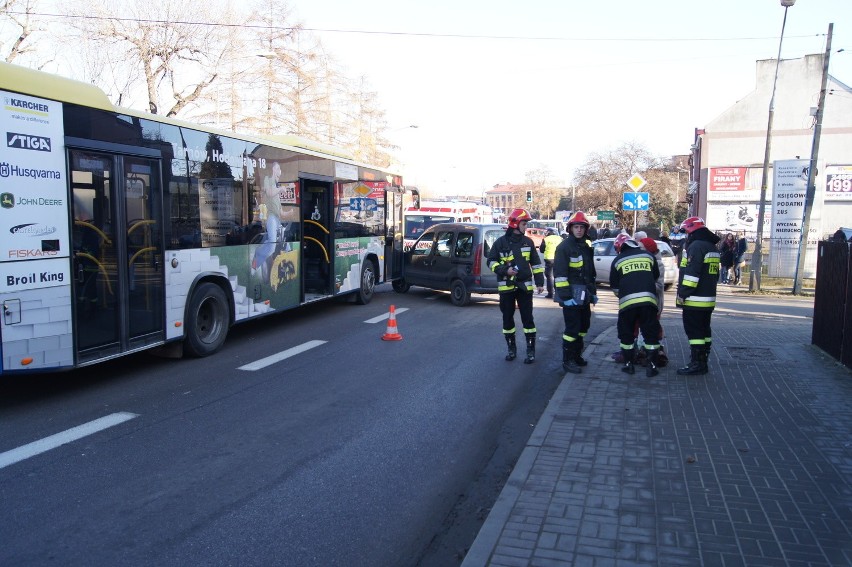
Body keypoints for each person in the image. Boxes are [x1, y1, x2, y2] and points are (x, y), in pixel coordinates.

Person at [487, 208, 545, 364]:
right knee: (507, 320)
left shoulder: (528, 242)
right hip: (506, 287)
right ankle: (511, 349)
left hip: (525, 287)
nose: (526, 227)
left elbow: (536, 263)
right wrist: (505, 270)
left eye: (526, 223)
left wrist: (539, 282)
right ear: (515, 223)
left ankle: (530, 351)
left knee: (528, 319)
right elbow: (491, 262)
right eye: (524, 223)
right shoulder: (500, 243)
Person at [609, 233, 662, 377]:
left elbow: (614, 287)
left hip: (628, 305)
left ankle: (628, 365)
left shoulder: (617, 260)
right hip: (649, 303)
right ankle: (651, 366)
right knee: (650, 334)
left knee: (627, 335)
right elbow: (655, 276)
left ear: (619, 247)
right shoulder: (648, 256)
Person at [553, 211, 597, 374]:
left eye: (582, 227)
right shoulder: (565, 247)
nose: (579, 230)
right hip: (571, 295)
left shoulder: (585, 246)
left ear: (586, 229)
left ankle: (577, 355)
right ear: (570, 229)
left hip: (584, 294)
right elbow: (560, 274)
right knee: (572, 329)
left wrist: (592, 292)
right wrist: (566, 297)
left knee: (584, 326)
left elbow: (589, 273)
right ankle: (568, 360)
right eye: (576, 227)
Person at [675, 216, 720, 376]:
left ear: (690, 230)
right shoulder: (711, 247)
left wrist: (683, 294)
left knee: (694, 333)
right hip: (708, 299)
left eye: (686, 232)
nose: (686, 236)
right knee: (704, 330)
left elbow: (692, 275)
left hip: (695, 300)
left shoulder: (696, 247)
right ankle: (703, 360)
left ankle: (697, 363)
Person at [539, 227, 563, 298]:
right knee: (557, 276)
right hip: (558, 259)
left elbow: (541, 250)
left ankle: (550, 293)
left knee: (549, 276)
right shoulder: (560, 239)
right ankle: (557, 293)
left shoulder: (546, 239)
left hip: (549, 259)